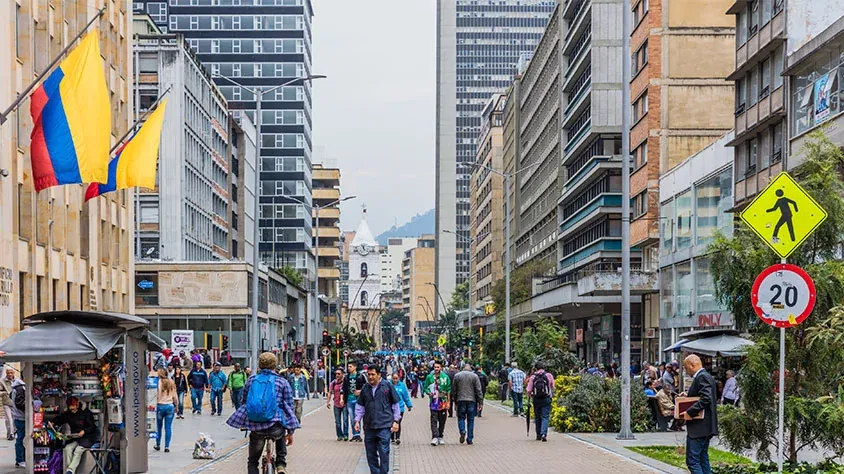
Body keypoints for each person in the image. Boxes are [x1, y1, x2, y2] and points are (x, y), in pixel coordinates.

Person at [227, 352, 299, 474]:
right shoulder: (282, 382)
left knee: (253, 461)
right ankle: (281, 464)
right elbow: (289, 407)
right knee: (281, 429)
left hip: (256, 428)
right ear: (275, 365)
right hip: (275, 428)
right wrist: (290, 431)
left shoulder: (251, 380)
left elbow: (244, 402)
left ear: (260, 365)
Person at [354, 366, 401, 474]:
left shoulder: (387, 386)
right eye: (368, 374)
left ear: (379, 375)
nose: (370, 377)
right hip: (369, 426)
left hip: (384, 426)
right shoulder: (365, 388)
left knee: (384, 453)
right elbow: (360, 406)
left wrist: (396, 421)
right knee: (371, 455)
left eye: (372, 374)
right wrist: (357, 420)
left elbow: (395, 404)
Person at [678, 354, 718, 474]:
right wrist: (688, 396)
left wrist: (690, 412)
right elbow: (703, 395)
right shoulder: (706, 376)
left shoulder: (701, 377)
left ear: (692, 365)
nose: (685, 370)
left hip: (700, 427)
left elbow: (706, 398)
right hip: (705, 427)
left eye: (686, 367)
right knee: (702, 458)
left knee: (692, 461)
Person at [49, 397, 98, 474]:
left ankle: (70, 470)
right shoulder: (68, 414)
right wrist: (53, 422)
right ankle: (70, 471)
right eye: (71, 409)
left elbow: (91, 426)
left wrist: (84, 431)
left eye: (74, 408)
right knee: (67, 449)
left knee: (78, 451)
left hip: (88, 437)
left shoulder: (86, 413)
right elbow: (60, 418)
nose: (73, 411)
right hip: (76, 437)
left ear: (77, 405)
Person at [451, 363, 483, 445]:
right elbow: (478, 390)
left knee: (461, 417)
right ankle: (470, 438)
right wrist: (480, 402)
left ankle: (462, 430)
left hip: (460, 399)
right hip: (471, 400)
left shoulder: (457, 376)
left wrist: (454, 399)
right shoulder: (474, 376)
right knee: (471, 419)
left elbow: (454, 389)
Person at [423, 360, 451, 446]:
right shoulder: (429, 377)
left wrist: (449, 401)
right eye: (435, 367)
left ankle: (440, 435)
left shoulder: (445, 377)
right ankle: (434, 436)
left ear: (441, 368)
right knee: (433, 419)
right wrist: (429, 392)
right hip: (433, 402)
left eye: (438, 367)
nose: (436, 369)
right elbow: (425, 388)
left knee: (442, 420)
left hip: (443, 401)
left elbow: (449, 389)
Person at [526, 361, 554, 442]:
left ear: (536, 368)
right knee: (545, 416)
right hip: (546, 398)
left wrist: (529, 396)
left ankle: (538, 435)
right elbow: (552, 386)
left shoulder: (533, 377)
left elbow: (528, 390)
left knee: (537, 417)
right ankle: (544, 434)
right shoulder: (549, 375)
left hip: (536, 399)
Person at [152, 369, 178, 452]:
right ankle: (167, 446)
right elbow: (175, 397)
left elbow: (155, 396)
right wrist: (176, 406)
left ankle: (158, 444)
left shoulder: (158, 383)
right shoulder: (171, 382)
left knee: (159, 427)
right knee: (168, 427)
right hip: (170, 406)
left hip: (160, 406)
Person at [343, 362, 366, 442]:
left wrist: (360, 391)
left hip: (358, 400)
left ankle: (358, 434)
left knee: (357, 417)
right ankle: (355, 434)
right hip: (349, 399)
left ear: (355, 367)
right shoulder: (346, 377)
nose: (349, 368)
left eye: (350, 366)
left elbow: (366, 386)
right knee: (352, 418)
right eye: (348, 366)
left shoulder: (360, 376)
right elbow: (344, 388)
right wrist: (343, 399)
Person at [388, 372, 412, 445]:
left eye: (396, 378)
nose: (395, 380)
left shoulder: (402, 386)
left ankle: (397, 437)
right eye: (394, 378)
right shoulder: (389, 385)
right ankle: (392, 438)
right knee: (392, 423)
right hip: (391, 408)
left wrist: (409, 405)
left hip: (400, 408)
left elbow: (406, 396)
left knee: (398, 422)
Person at [10, 374, 27, 468]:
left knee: (21, 438)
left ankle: (21, 459)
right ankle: (20, 460)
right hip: (21, 417)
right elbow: (20, 403)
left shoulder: (17, 387)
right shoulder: (20, 388)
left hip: (18, 417)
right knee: (21, 438)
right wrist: (30, 407)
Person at [327, 369, 348, 441]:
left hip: (344, 403)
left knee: (345, 420)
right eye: (336, 374)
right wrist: (328, 402)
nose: (337, 375)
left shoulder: (345, 382)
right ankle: (339, 435)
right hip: (336, 404)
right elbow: (330, 392)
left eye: (339, 374)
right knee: (337, 421)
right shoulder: (333, 383)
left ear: (342, 374)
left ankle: (345, 435)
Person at [1, 367, 15, 440]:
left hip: (15, 403)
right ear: (6, 373)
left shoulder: (17, 380)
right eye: (8, 373)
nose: (10, 374)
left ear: (13, 373)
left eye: (11, 373)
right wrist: (6, 393)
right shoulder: (2, 381)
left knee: (13, 419)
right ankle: (11, 434)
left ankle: (12, 432)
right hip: (6, 402)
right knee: (9, 419)